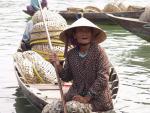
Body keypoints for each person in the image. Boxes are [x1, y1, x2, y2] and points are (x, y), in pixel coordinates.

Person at [50, 17, 115, 113]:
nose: (84, 34)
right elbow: (66, 77)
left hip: (97, 101)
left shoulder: (99, 52)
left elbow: (103, 78)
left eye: (87, 31)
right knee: (51, 108)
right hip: (75, 96)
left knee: (72, 108)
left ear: (92, 35)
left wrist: (86, 98)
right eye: (80, 31)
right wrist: (57, 65)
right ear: (75, 35)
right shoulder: (71, 54)